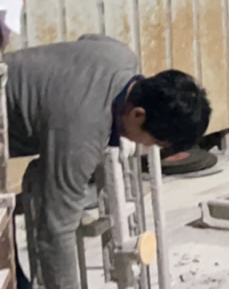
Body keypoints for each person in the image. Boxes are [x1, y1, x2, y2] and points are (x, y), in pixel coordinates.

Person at [4, 34, 213, 289]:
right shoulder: (82, 133)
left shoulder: (120, 55)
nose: (147, 147)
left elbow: (87, 39)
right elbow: (56, 229)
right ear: (138, 115)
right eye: (152, 141)